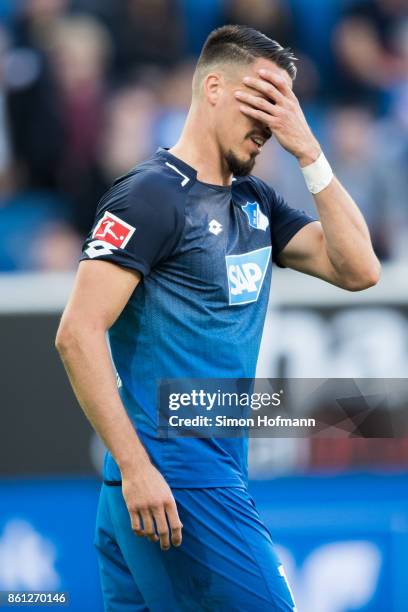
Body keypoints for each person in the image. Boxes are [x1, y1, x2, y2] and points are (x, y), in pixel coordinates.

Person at [55, 25, 380, 611]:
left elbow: (360, 269)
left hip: (199, 475)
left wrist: (309, 151)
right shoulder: (149, 197)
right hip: (173, 480)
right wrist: (137, 469)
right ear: (213, 88)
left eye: (284, 106)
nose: (271, 122)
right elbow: (76, 334)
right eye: (262, 100)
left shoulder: (253, 202)